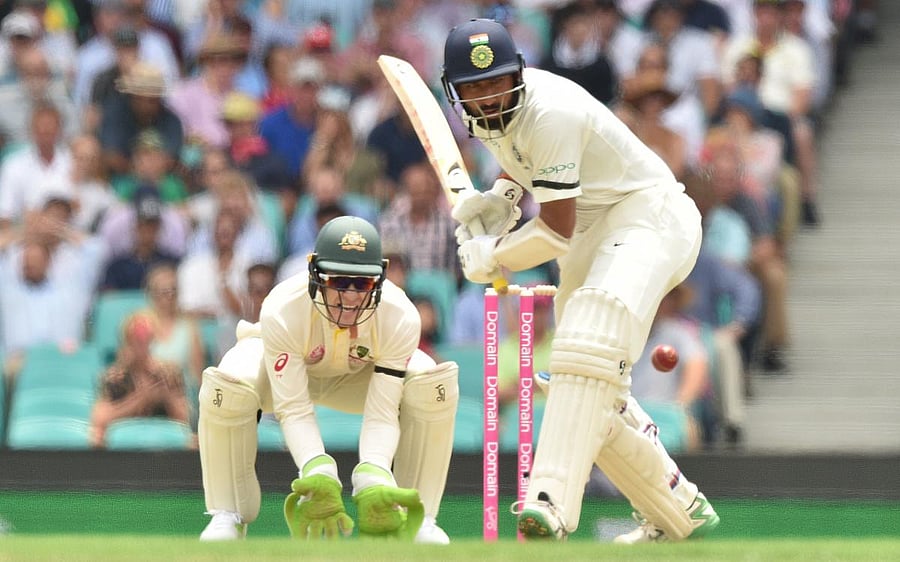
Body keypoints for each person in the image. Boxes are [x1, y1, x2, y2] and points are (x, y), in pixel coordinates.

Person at [442, 19, 719, 543]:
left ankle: (548, 504)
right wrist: (500, 201)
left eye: (496, 82)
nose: (487, 97)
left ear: (517, 75)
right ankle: (677, 508)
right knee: (584, 373)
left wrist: (492, 256)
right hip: (593, 227)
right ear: (456, 91)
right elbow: (523, 162)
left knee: (591, 338)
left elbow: (553, 231)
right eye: (474, 88)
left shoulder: (551, 110)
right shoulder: (492, 120)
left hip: (646, 215)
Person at [197, 216, 458, 544]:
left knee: (430, 382)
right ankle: (227, 515)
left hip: (356, 383)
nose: (349, 297)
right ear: (315, 273)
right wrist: (317, 470)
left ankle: (420, 519)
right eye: (339, 281)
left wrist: (374, 474)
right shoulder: (282, 308)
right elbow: (293, 408)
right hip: (280, 383)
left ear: (379, 280)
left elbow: (383, 412)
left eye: (362, 284)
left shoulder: (400, 315)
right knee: (230, 379)